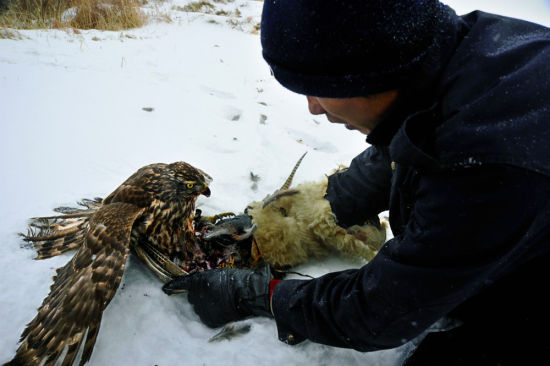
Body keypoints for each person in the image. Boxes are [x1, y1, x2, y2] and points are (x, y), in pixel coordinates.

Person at [164, 1, 550, 364]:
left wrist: (260, 295)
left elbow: (380, 310)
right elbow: (404, 145)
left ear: (374, 73)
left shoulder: (487, 158)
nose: (313, 107)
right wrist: (308, 212)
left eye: (318, 87)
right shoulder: (454, 53)